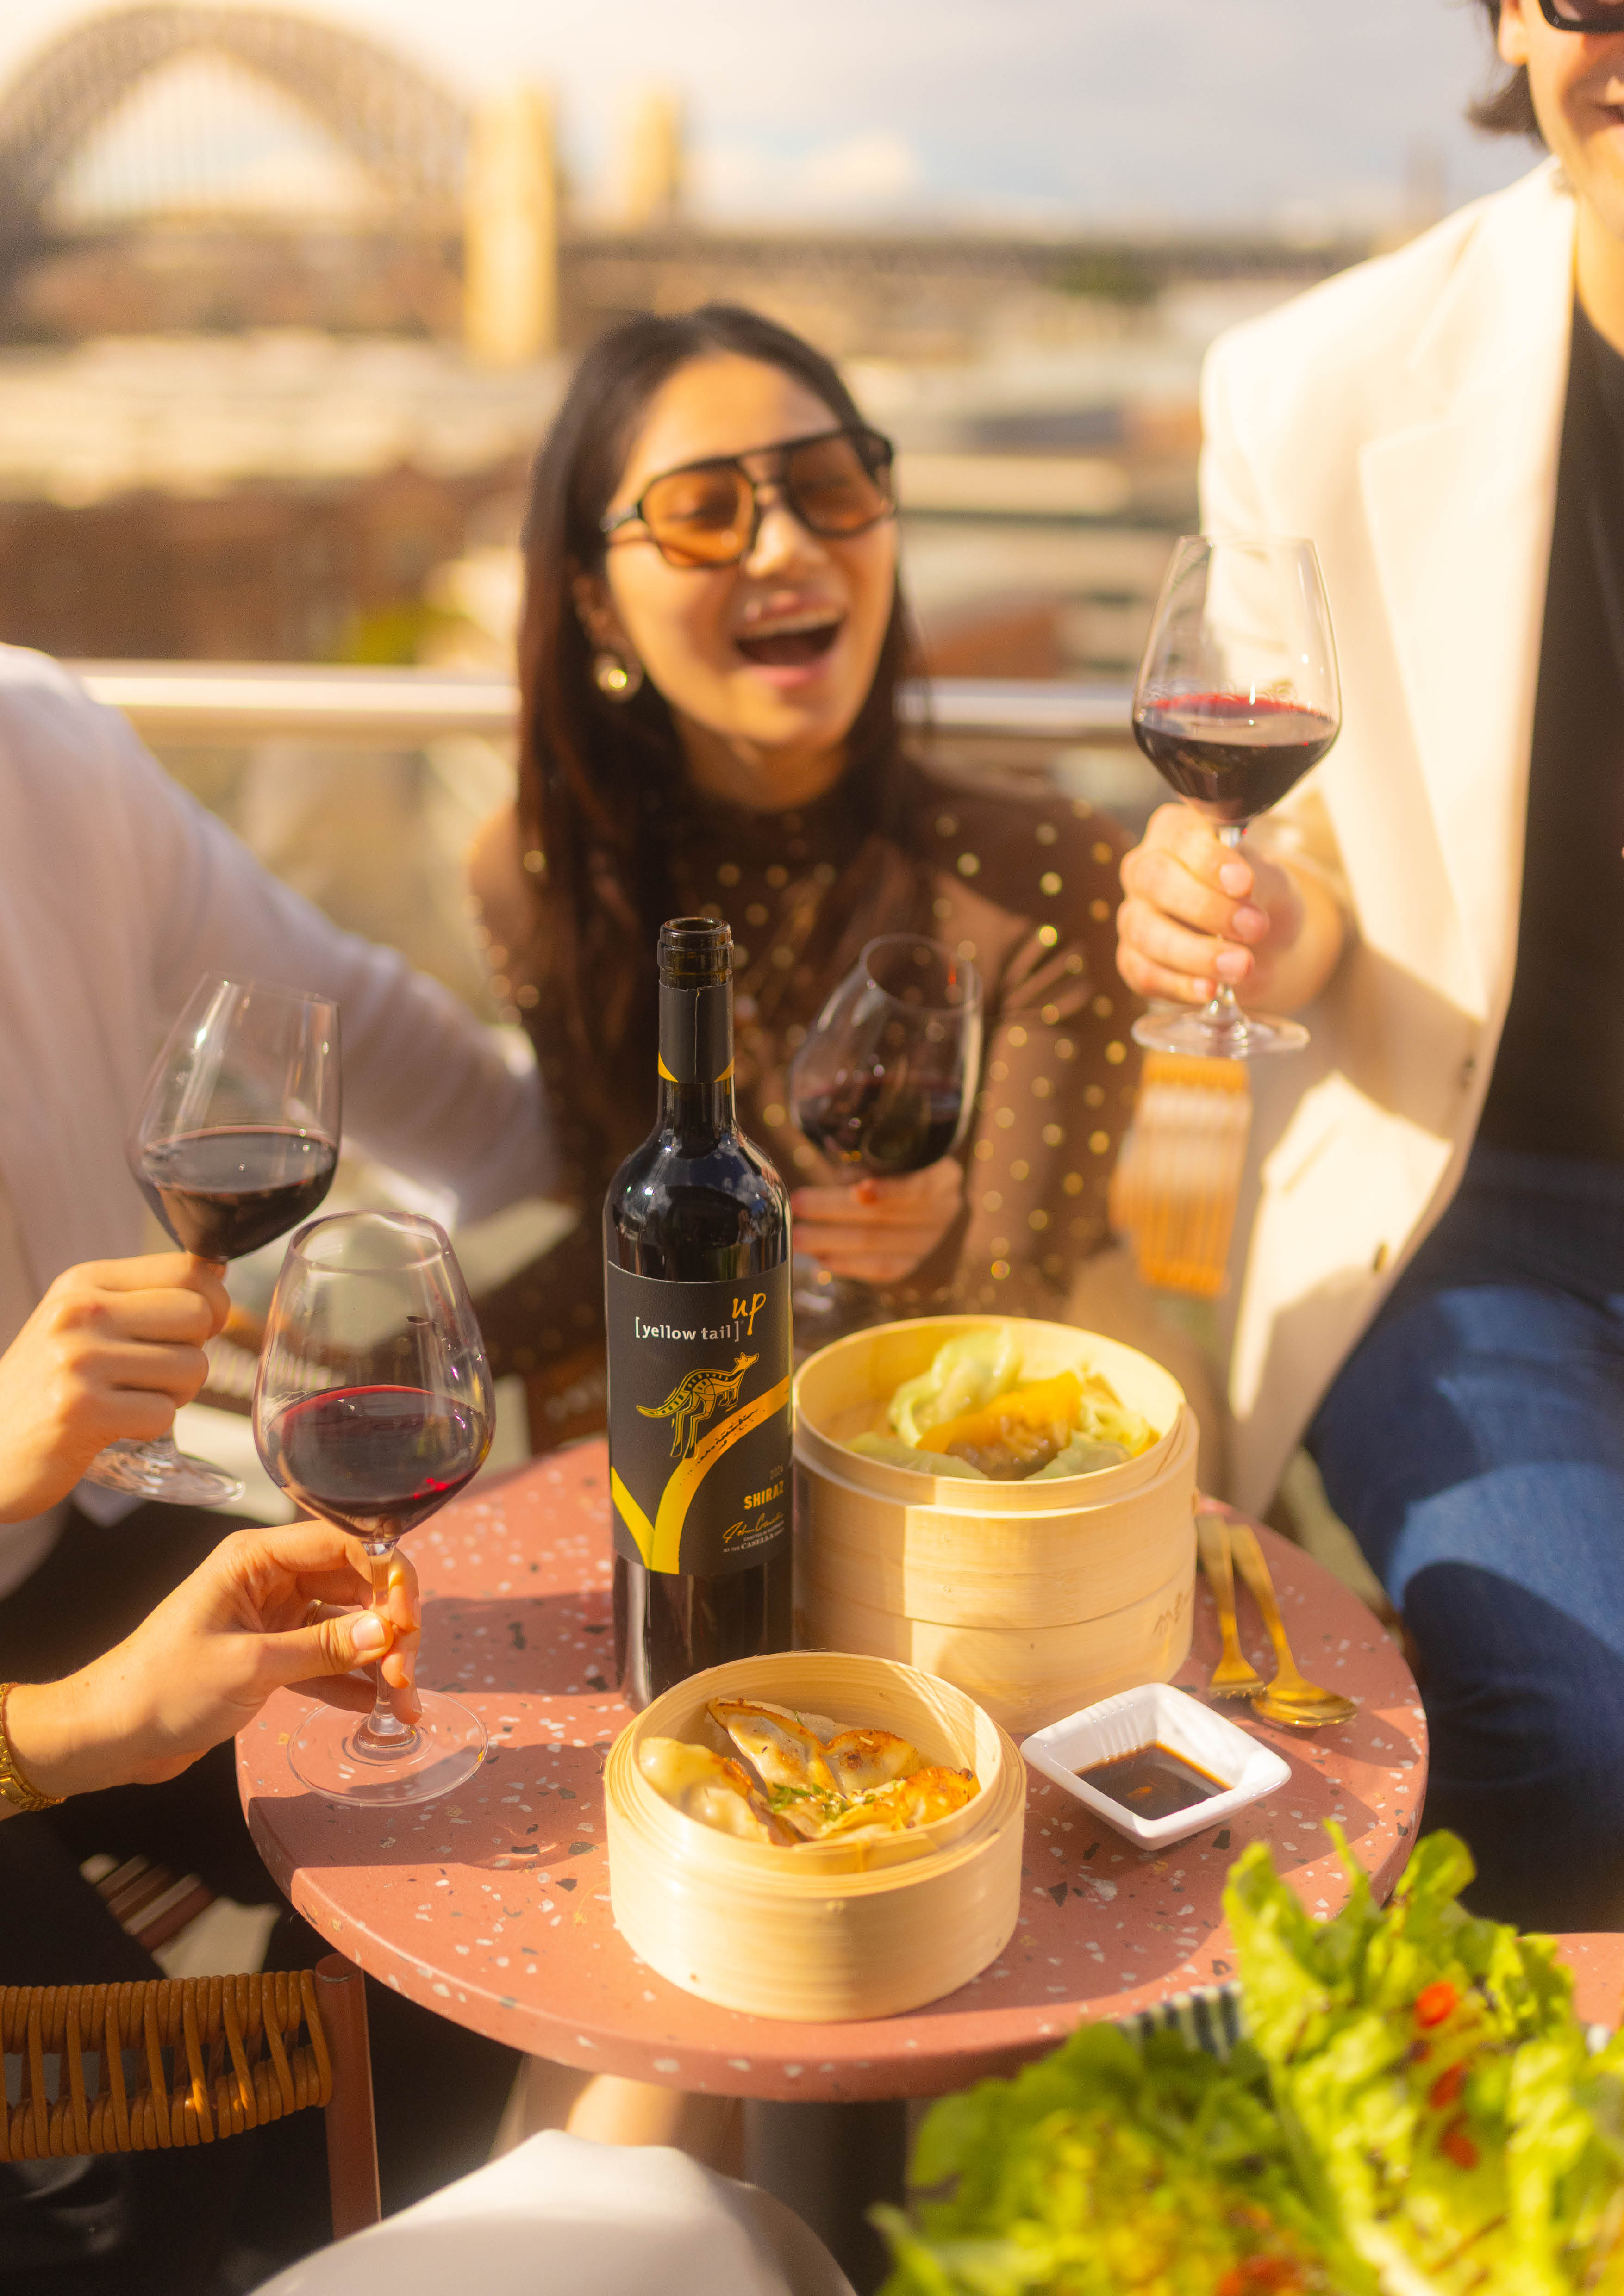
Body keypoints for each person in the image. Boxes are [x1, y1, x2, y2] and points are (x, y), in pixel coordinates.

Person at [1114, 0, 1624, 1929]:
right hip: (1473, 1212)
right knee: (1581, 1735)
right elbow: (1317, 869)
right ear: (1507, 21)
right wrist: (1249, 915)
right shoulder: (1314, 387)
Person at [469, 302, 1142, 1397]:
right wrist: (388, 1361)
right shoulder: (539, 877)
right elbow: (622, 1237)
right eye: (703, 512)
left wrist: (931, 1242)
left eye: (828, 488)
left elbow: (1018, 1296)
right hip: (723, 1439)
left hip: (1006, 1440)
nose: (787, 546)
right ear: (596, 603)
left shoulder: (1044, 875)